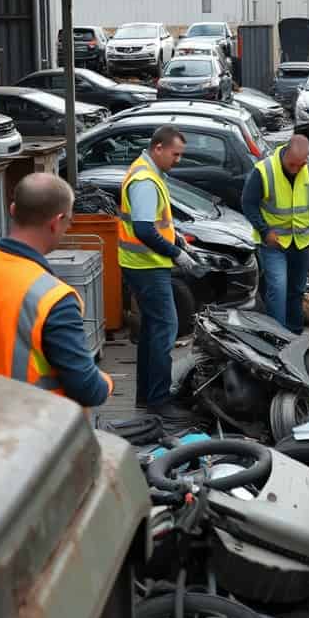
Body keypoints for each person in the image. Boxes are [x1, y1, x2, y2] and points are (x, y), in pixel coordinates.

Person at [0, 173, 114, 407]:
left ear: (12, 209)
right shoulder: (54, 298)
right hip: (32, 433)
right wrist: (106, 383)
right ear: (57, 221)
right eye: (69, 222)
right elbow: (87, 390)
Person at [118, 125, 199, 429]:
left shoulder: (148, 172)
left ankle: (147, 396)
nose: (178, 160)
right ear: (158, 149)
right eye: (175, 154)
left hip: (144, 264)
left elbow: (152, 221)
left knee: (153, 330)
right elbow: (142, 229)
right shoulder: (144, 180)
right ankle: (160, 401)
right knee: (166, 327)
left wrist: (175, 236)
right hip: (146, 266)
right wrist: (176, 253)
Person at [241, 134, 309, 333]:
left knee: (296, 291)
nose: (296, 169)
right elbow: (248, 203)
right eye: (292, 164)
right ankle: (277, 336)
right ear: (285, 153)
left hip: (302, 241)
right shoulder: (264, 170)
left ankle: (294, 333)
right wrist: (264, 230)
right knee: (278, 289)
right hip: (273, 243)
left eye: (300, 165)